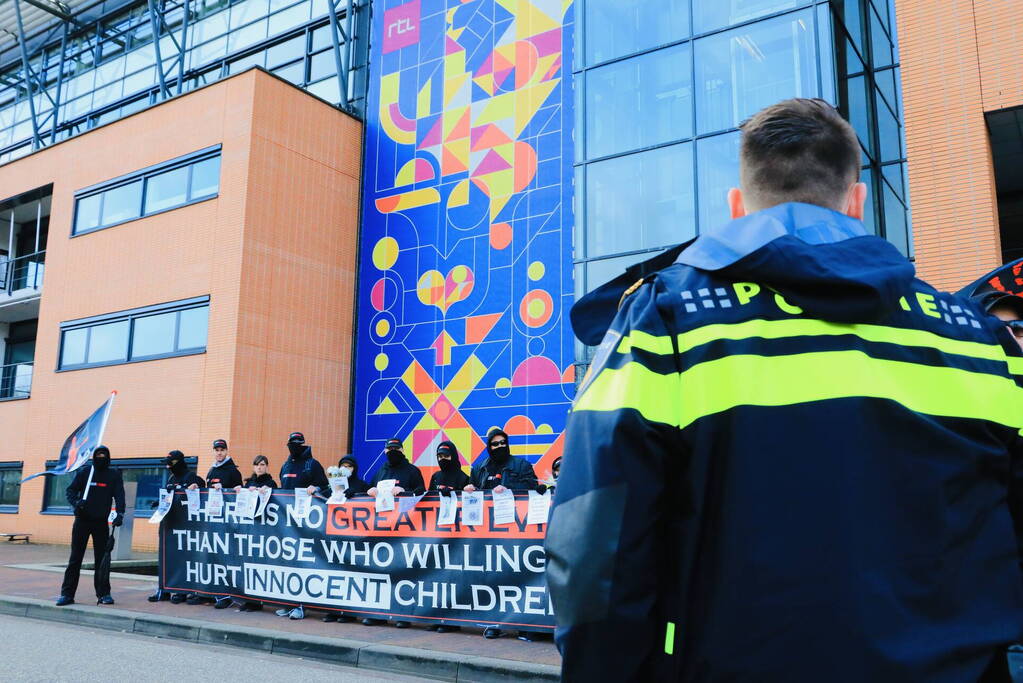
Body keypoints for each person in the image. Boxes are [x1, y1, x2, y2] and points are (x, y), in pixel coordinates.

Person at [545, 98, 1023, 682]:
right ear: (858, 200)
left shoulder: (668, 321)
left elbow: (596, 547)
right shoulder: (981, 339)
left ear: (738, 206)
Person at [465, 429, 538, 639]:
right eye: (495, 444)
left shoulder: (521, 465)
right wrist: (469, 489)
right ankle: (494, 622)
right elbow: (475, 493)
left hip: (517, 532)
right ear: (489, 446)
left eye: (502, 443)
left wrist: (507, 487)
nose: (499, 447)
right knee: (492, 578)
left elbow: (533, 487)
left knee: (519, 577)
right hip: (487, 533)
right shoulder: (479, 468)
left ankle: (524, 624)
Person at [364, 437, 425, 628]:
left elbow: (422, 492)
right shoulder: (381, 470)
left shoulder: (412, 471)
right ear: (384, 451)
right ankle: (378, 614)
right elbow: (369, 491)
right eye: (389, 449)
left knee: (404, 572)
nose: (392, 451)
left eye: (396, 448)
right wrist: (370, 491)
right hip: (381, 529)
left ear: (402, 450)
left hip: (405, 530)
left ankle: (402, 615)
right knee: (380, 571)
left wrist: (405, 491)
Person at [57, 446, 124, 606]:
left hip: (100, 523)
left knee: (101, 560)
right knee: (75, 559)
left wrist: (120, 514)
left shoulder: (113, 475)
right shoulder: (86, 472)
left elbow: (120, 495)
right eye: (98, 455)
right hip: (82, 521)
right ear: (94, 456)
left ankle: (103, 594)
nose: (101, 457)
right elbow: (71, 491)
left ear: (108, 457)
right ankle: (67, 594)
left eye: (104, 455)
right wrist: (76, 503)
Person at [276, 431, 329, 620]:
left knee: (304, 563)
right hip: (286, 523)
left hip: (306, 524)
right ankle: (289, 603)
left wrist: (316, 489)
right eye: (292, 443)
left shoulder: (312, 465)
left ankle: (302, 605)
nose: (295, 446)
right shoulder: (285, 465)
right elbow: (281, 490)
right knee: (287, 563)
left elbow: (326, 488)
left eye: (298, 443)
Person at [157, 450, 204, 604]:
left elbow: (201, 489)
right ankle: (168, 589)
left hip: (186, 526)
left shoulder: (189, 476)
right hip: (171, 524)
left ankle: (185, 591)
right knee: (171, 558)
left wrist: (196, 486)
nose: (168, 467)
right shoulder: (171, 477)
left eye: (171, 463)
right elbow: (168, 497)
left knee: (186, 559)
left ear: (178, 462)